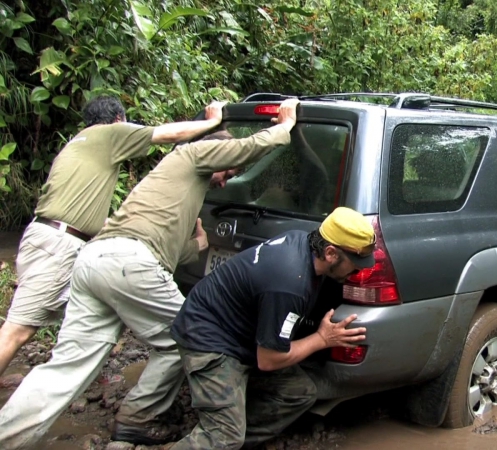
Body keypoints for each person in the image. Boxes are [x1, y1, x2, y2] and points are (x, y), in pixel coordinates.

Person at [0, 98, 301, 449]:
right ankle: (138, 418)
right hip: (126, 261)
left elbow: (164, 251)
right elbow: (245, 148)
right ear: (215, 155)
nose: (225, 182)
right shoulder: (191, 156)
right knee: (191, 334)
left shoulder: (179, 184)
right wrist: (283, 127)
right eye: (228, 174)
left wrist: (199, 245)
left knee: (67, 367)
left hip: (95, 260)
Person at [0, 95, 227, 383]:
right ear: (119, 119)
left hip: (50, 236)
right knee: (18, 330)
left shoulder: (80, 144)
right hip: (59, 243)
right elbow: (168, 134)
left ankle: (81, 376)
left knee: (97, 310)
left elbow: (86, 213)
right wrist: (213, 122)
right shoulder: (109, 133)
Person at [170, 206, 374, 450]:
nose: (359, 270)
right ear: (330, 253)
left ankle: (235, 435)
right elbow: (269, 360)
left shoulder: (303, 239)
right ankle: (223, 438)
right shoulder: (290, 284)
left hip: (244, 336)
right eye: (356, 262)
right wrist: (322, 338)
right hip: (207, 339)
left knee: (299, 392)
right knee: (224, 438)